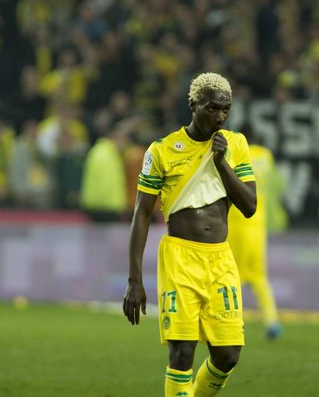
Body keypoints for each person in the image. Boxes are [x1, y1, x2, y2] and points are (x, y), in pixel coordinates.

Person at [123, 72, 257, 397]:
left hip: (220, 259)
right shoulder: (162, 151)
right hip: (180, 257)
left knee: (228, 355)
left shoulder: (235, 145)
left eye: (226, 109)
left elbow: (249, 205)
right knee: (182, 353)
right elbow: (141, 214)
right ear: (193, 104)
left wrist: (221, 162)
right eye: (212, 108)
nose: (220, 116)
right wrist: (134, 280)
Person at [227, 125, 284, 340]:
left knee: (234, 275)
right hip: (257, 226)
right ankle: (272, 320)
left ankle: (232, 321)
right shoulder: (266, 157)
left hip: (236, 223)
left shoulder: (238, 154)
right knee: (259, 276)